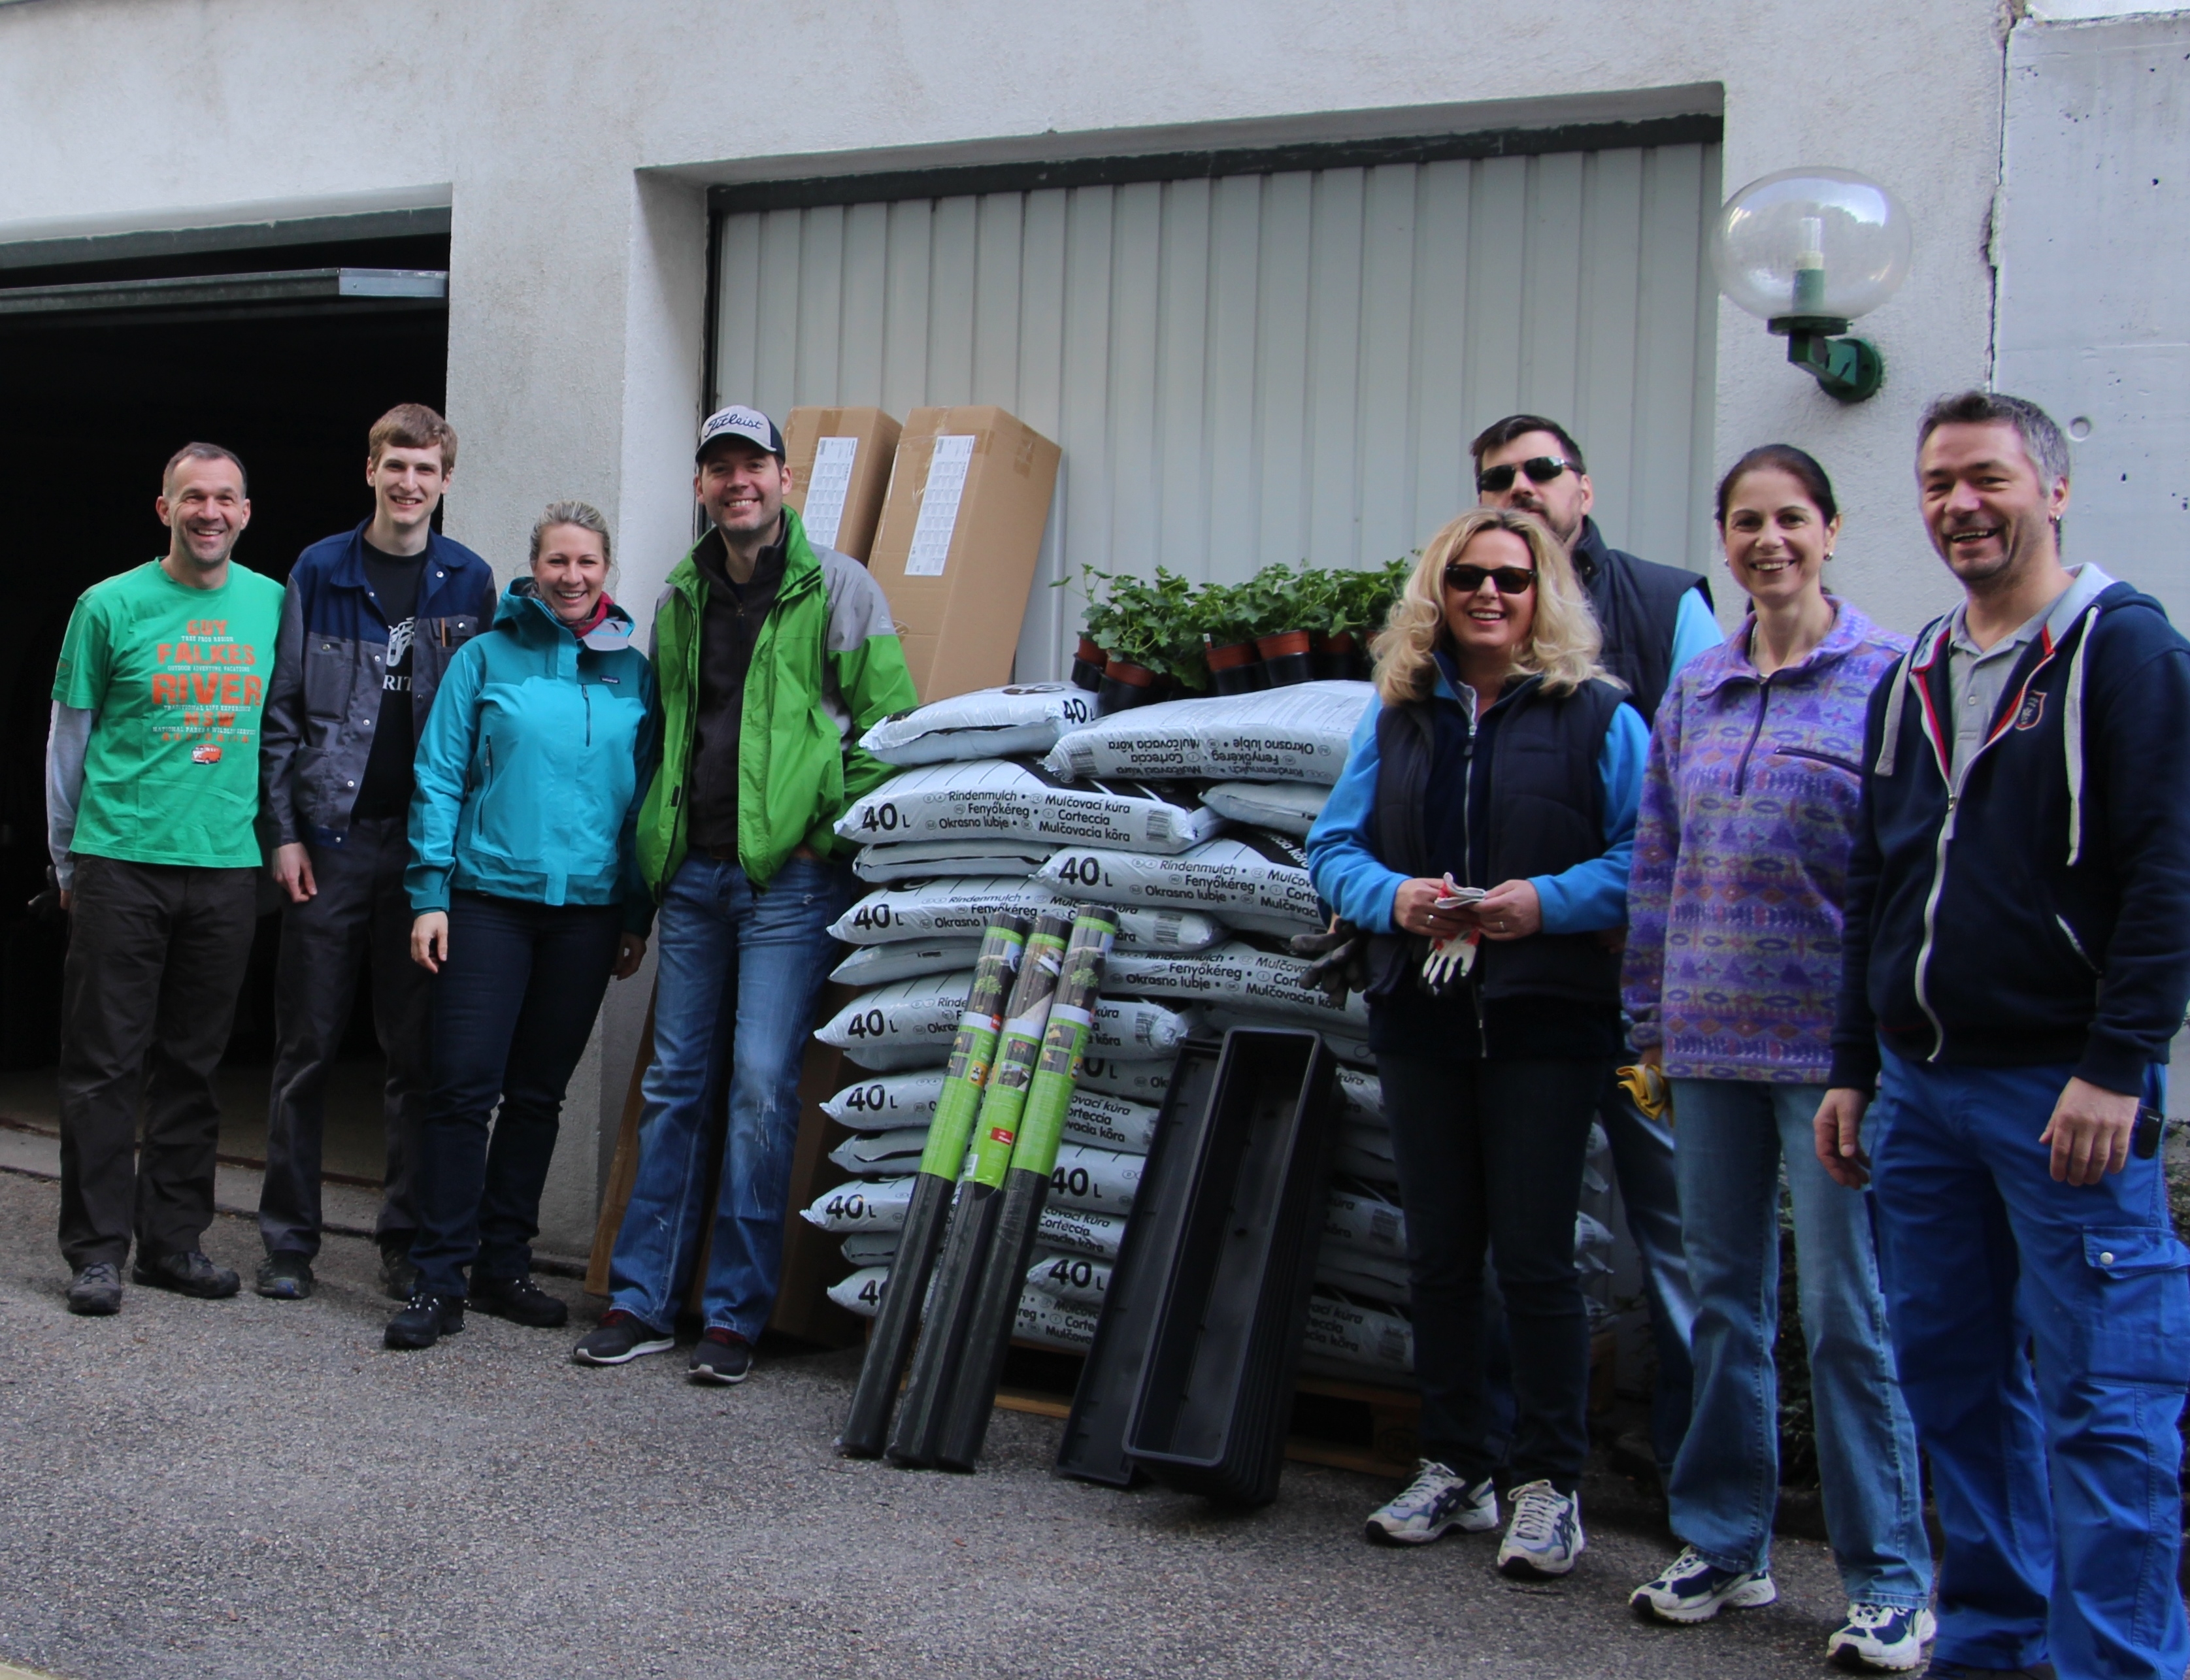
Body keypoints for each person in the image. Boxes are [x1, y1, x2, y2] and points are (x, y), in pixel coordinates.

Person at [1820, 391, 2190, 1680]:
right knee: (1956, 1391)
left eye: (1983, 477)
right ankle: (1990, 1642)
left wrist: (2115, 1061)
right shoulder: (1918, 669)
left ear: (2051, 488)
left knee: (2105, 1404)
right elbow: (1876, 880)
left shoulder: (2124, 650)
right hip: (1918, 1093)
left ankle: (2116, 1664)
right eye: (1934, 484)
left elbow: (2168, 871)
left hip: (2059, 1092)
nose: (1957, 505)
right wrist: (1853, 1066)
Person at [1621, 446, 1934, 1672]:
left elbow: (1910, 877)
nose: (1769, 541)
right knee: (1726, 1307)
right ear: (1725, 538)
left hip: (1831, 1055)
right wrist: (1645, 1018)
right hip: (1704, 1044)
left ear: (1832, 530)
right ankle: (1727, 1546)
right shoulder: (1694, 691)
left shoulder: (1889, 679)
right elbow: (1659, 863)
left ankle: (1891, 1582)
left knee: (1849, 1319)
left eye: (1790, 519)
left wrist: (1885, 1040)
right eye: (1746, 522)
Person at [1307, 506, 1648, 1578]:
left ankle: (1546, 1482)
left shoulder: (1599, 718)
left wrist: (1545, 903)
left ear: (1543, 591)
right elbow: (1330, 847)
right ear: (1437, 593)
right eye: (1467, 579)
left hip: (1549, 1022)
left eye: (1511, 578)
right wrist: (1394, 899)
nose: (1489, 596)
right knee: (1442, 1254)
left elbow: (1652, 856)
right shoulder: (1400, 716)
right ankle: (1455, 1461)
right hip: (1423, 1014)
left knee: (1538, 1261)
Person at [572, 404, 916, 1385]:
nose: (738, 484)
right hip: (693, 880)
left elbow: (891, 734)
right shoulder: (681, 596)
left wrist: (819, 834)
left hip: (787, 888)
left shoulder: (838, 588)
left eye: (753, 466)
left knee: (762, 1087)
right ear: (701, 488)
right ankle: (641, 1301)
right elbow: (675, 734)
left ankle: (733, 1315)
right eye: (719, 469)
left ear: (784, 477)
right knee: (677, 1086)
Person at [1473, 413, 1717, 1479]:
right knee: (1507, 1231)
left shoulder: (1668, 604)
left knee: (1674, 1232)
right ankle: (1498, 1454)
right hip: (1519, 994)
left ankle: (1691, 1474)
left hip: (1641, 994)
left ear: (1584, 485)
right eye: (1499, 477)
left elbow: (1710, 782)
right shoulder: (1469, 615)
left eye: (1541, 470)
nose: (1521, 488)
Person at [386, 502, 656, 1351]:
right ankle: (438, 1278)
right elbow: (435, 776)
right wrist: (430, 894)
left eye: (587, 563)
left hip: (587, 913)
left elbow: (650, 799)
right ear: (531, 569)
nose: (572, 577)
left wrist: (636, 912)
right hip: (488, 902)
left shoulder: (634, 672)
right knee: (464, 1089)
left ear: (605, 572)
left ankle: (505, 1267)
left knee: (539, 1095)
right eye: (557, 562)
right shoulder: (484, 658)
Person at [255, 404, 495, 1303]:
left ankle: (405, 1242)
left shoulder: (469, 581)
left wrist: (458, 851)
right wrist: (280, 833)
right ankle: (288, 1242)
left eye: (426, 469)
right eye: (396, 465)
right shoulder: (319, 569)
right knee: (307, 1046)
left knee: (417, 1057)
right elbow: (281, 716)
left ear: (444, 480)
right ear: (370, 471)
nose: (409, 483)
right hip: (328, 842)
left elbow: (477, 725)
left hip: (424, 853)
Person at [46, 444, 287, 1315]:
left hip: (224, 868)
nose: (210, 511)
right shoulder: (106, 606)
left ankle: (173, 1243)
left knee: (192, 1065)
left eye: (226, 498)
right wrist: (67, 861)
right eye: (194, 497)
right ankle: (97, 1251)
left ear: (246, 512)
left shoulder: (273, 605)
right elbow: (67, 743)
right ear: (164, 509)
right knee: (104, 1065)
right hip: (121, 861)